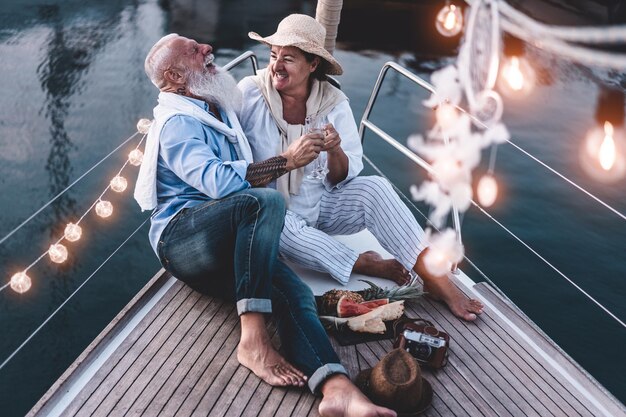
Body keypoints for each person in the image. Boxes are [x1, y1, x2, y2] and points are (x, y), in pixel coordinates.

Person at [135, 33, 397, 417]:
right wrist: (286, 161)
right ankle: (253, 339)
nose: (208, 48)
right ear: (175, 77)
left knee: (296, 294)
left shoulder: (214, 108)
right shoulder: (177, 124)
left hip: (225, 237)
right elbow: (219, 183)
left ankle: (336, 388)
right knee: (264, 202)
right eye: (194, 50)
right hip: (182, 239)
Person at [239, 14, 484, 321]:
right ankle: (363, 263)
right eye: (273, 56)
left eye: (288, 58)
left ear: (313, 65)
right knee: (278, 220)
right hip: (276, 209)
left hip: (320, 204)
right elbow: (233, 164)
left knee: (376, 187)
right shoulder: (249, 94)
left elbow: (343, 176)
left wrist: (335, 150)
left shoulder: (332, 103)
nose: (275, 67)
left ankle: (436, 278)